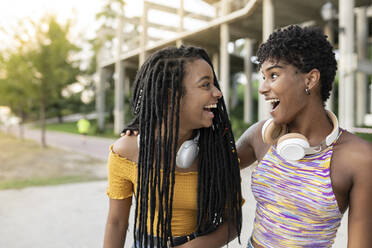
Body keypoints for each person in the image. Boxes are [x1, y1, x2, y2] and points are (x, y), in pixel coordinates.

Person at [237, 25, 372, 247]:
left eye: (273, 75)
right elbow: (205, 169)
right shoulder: (261, 135)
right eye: (263, 76)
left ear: (310, 80)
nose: (262, 88)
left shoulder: (360, 158)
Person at [103, 46, 243, 248]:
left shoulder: (218, 153)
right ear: (170, 96)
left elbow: (232, 223)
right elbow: (116, 222)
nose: (218, 93)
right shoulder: (126, 152)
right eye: (206, 85)